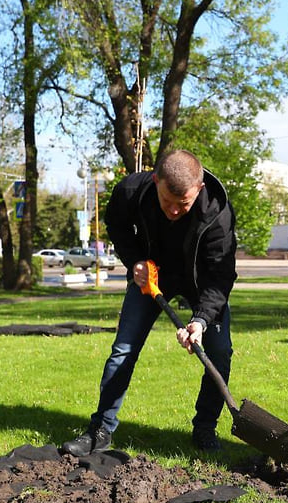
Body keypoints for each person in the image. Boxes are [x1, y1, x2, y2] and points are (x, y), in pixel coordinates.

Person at [62, 150, 237, 456]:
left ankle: (205, 427)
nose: (173, 211)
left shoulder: (218, 215)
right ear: (156, 181)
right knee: (123, 350)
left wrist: (200, 321)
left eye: (183, 205)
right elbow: (116, 225)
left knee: (219, 353)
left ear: (200, 189)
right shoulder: (131, 191)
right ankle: (101, 429)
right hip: (152, 276)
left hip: (201, 283)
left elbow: (221, 276)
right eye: (167, 201)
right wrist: (134, 261)